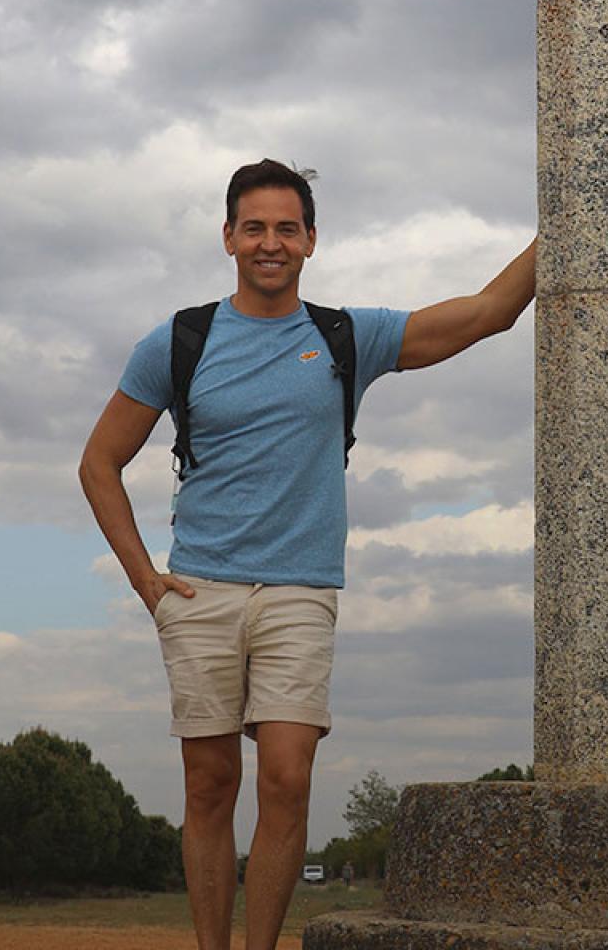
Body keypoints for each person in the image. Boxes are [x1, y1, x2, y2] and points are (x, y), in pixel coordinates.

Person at [80, 159, 535, 950]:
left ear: (312, 241)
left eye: (286, 228)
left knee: (287, 778)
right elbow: (98, 464)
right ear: (228, 237)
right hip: (199, 589)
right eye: (254, 227)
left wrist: (564, 225)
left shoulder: (343, 337)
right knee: (211, 783)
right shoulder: (180, 340)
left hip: (300, 588)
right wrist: (148, 581)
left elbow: (488, 313)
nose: (270, 243)